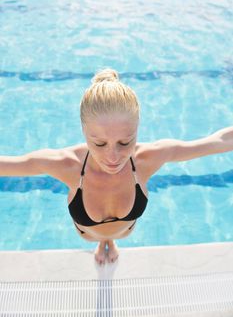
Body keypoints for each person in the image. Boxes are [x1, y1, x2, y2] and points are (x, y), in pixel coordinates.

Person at [1, 68, 233, 265]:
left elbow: (218, 142)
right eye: (99, 143)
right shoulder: (68, 166)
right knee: (99, 237)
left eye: (125, 142)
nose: (113, 156)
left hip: (124, 231)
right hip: (87, 233)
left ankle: (109, 241)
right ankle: (104, 242)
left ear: (138, 129)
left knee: (111, 236)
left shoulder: (146, 160)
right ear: (83, 131)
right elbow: (11, 164)